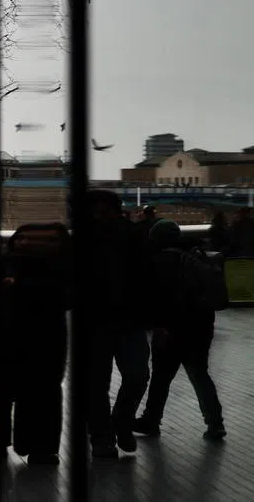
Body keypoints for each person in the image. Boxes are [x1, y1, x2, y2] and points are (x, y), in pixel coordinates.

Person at [133, 220, 226, 440]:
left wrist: (159, 325)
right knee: (199, 375)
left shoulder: (161, 261)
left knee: (161, 377)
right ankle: (215, 423)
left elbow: (159, 298)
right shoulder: (196, 256)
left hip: (171, 329)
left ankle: (151, 420)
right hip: (201, 327)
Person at [0, 222, 72, 465]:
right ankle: (42, 447)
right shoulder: (59, 266)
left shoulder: (8, 264)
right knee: (45, 392)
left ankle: (11, 443)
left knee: (13, 390)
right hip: (48, 335)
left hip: (13, 332)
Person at [87, 189, 152, 458]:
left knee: (97, 384)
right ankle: (119, 424)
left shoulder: (84, 241)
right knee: (136, 376)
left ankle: (104, 434)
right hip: (128, 320)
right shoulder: (136, 236)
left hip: (99, 321)